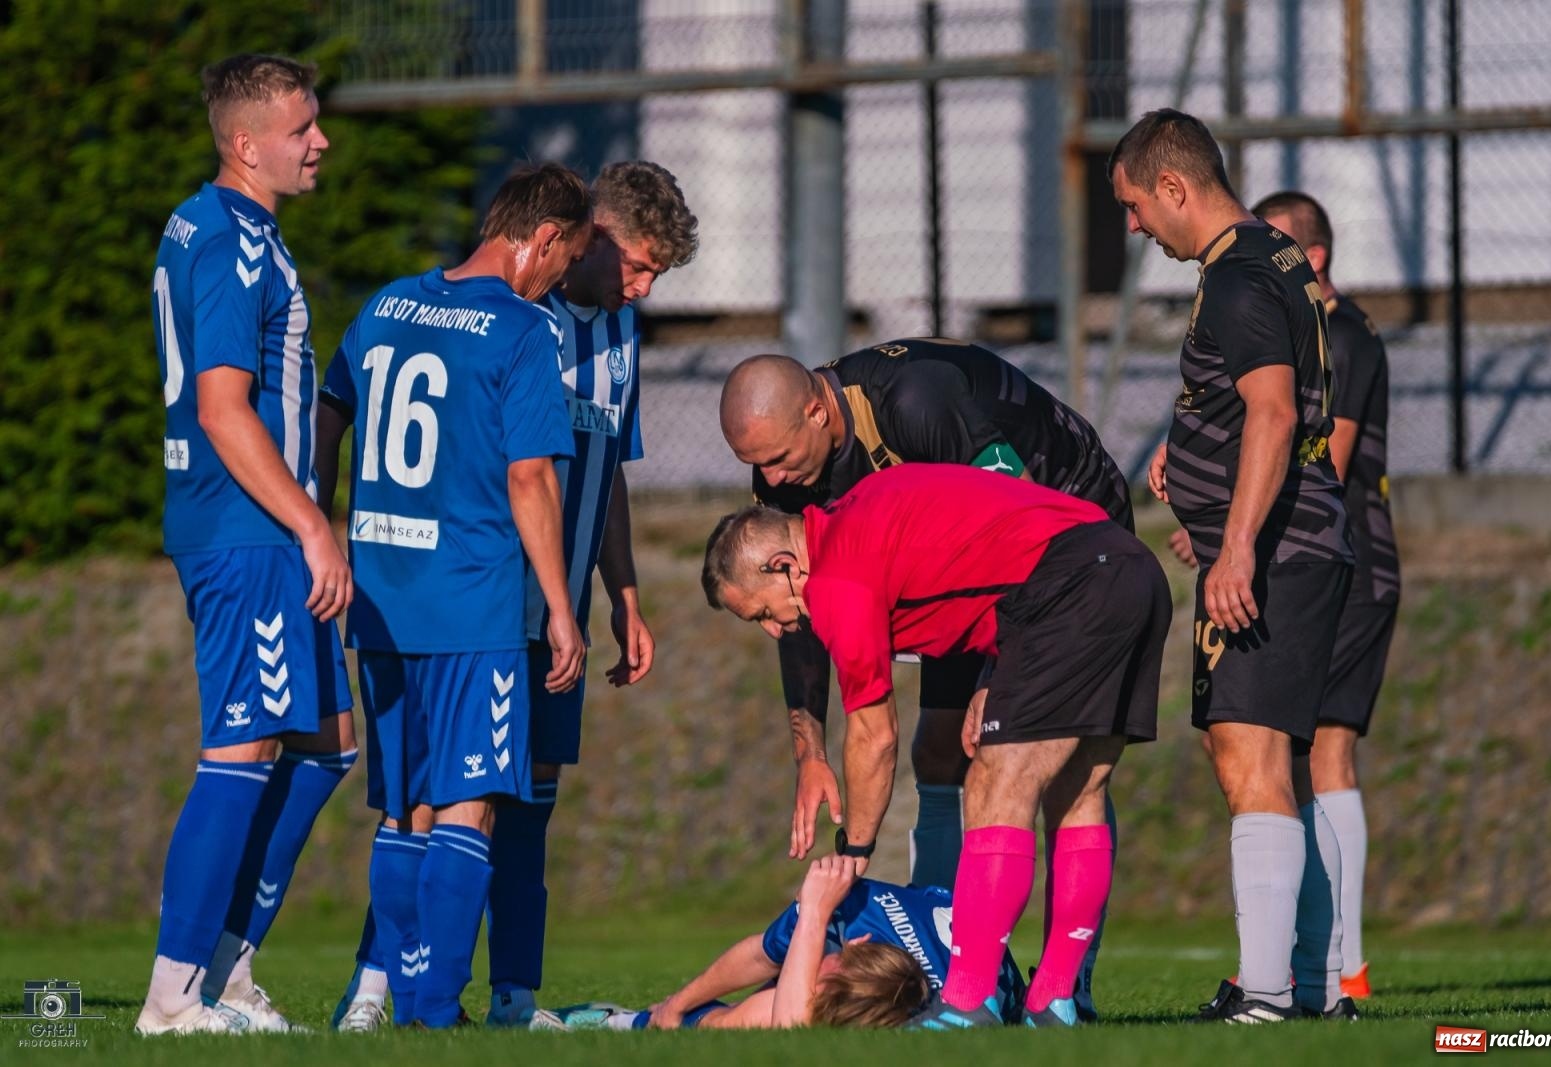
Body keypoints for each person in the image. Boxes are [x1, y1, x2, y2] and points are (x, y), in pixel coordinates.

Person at [718, 338, 1132, 1017]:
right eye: (756, 467)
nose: (774, 480)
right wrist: (810, 746)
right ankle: (940, 954)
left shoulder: (916, 400)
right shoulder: (782, 470)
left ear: (819, 412)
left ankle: (1070, 979)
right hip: (971, 575)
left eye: (780, 458)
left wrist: (999, 675)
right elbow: (802, 611)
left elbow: (1017, 516)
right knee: (940, 746)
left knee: (1055, 768)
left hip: (1072, 530)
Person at [314, 162, 591, 1029]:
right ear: (542, 238)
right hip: (472, 602)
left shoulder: (389, 303)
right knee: (471, 800)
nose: (560, 278)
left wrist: (321, 522)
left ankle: (398, 996)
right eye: (567, 257)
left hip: (383, 599)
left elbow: (330, 411)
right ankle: (432, 1010)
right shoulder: (521, 331)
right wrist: (558, 603)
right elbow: (529, 476)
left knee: (405, 809)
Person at [1110, 108, 1357, 1022]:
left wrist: (1239, 545)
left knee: (1251, 760)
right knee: (1258, 761)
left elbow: (1274, 412)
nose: (1134, 228)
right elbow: (1250, 395)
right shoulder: (1275, 256)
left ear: (1175, 187)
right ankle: (1317, 988)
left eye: (1135, 206)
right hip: (1291, 542)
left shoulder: (1240, 278)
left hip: (1275, 553)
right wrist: (1191, 443)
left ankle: (1270, 995)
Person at [138, 53, 357, 1037]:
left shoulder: (229, 228)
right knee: (243, 744)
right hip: (249, 527)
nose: (320, 141)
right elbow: (225, 409)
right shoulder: (227, 239)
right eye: (302, 127)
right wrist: (313, 522)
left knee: (325, 740)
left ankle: (226, 968)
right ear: (246, 143)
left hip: (260, 525)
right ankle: (172, 994)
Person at [1169, 191, 1399, 1000]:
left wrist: (1236, 529)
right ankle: (1314, 974)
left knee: (1310, 752)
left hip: (1330, 557)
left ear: (1314, 256)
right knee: (1277, 755)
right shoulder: (1287, 308)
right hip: (1292, 545)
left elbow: (1314, 455)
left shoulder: (1343, 332)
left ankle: (1330, 969)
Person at [486, 160, 699, 1027]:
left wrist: (626, 593)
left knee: (534, 798)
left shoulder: (620, 333)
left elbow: (608, 467)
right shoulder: (516, 317)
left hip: (566, 612)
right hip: (492, 604)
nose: (643, 287)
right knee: (455, 801)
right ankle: (388, 982)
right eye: (639, 265)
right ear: (593, 238)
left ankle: (512, 994)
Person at [530, 855, 1023, 1031]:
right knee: (779, 986)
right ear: (858, 943)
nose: (811, 980)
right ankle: (645, 1020)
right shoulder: (851, 907)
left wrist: (813, 915)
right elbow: (760, 954)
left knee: (766, 1015)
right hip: (941, 936)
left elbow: (790, 1022)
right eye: (823, 977)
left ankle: (624, 1024)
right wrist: (676, 1006)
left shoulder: (925, 1008)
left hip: (976, 959)